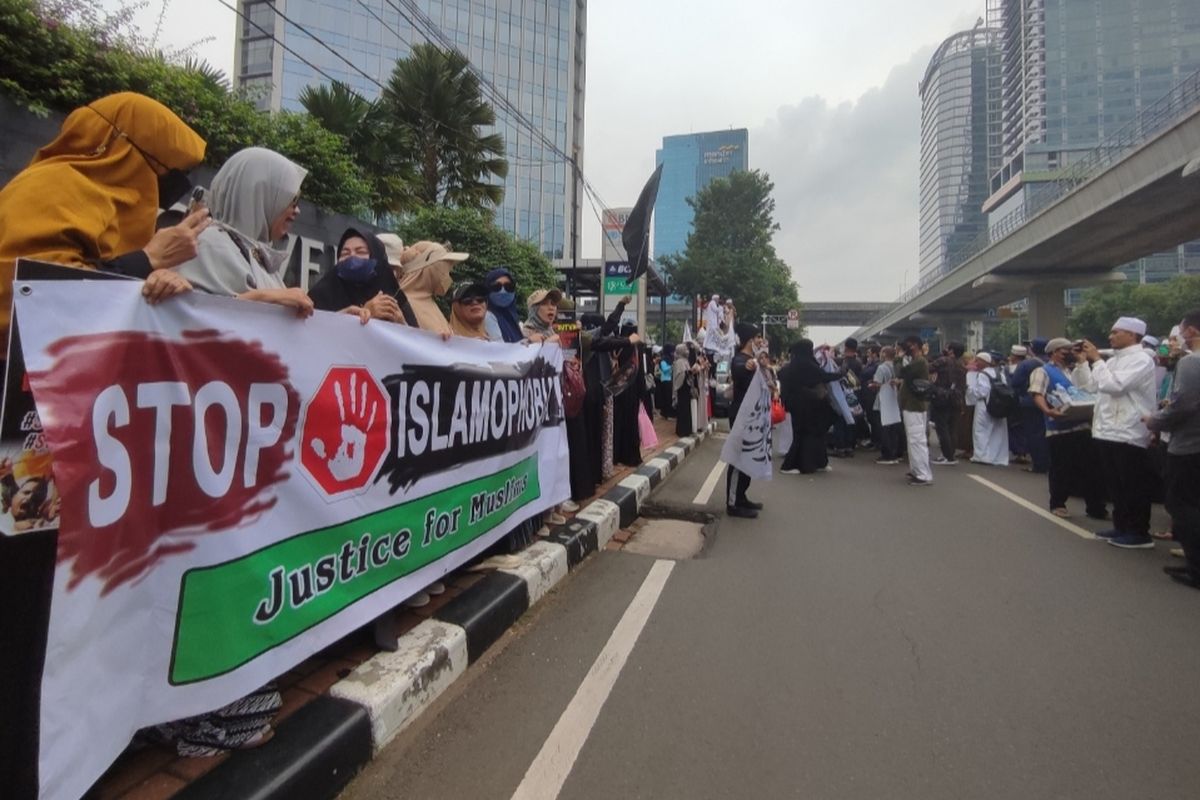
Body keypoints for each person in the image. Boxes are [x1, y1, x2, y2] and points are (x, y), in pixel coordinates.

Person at [0, 92, 208, 795]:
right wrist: (144, 257)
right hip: (22, 447)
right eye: (166, 175)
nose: (169, 195)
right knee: (26, 604)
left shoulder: (110, 216)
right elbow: (31, 302)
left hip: (89, 446)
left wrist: (159, 283)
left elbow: (110, 299)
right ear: (125, 154)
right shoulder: (52, 190)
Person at [174, 147, 315, 317]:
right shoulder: (208, 244)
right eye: (292, 201)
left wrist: (339, 320)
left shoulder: (257, 255)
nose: (297, 210)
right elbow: (192, 322)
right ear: (259, 195)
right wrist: (262, 299)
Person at [1078, 317, 1159, 549]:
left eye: (1117, 332)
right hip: (1106, 429)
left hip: (1129, 430)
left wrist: (1097, 361)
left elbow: (1115, 386)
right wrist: (1084, 363)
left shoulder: (1142, 360)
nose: (1111, 336)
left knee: (1133, 484)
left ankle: (1139, 532)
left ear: (1133, 335)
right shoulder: (1113, 361)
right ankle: (1121, 525)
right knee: (1115, 485)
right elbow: (1090, 386)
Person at [1147, 309, 1200, 588]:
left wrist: (1155, 421)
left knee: (1183, 505)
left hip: (1189, 445)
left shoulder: (1192, 363)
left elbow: (1183, 405)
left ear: (1190, 331)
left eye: (1179, 332)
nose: (1175, 339)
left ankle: (1196, 567)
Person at [1029, 338, 1107, 519]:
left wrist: (1082, 362)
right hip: (1059, 429)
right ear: (1054, 352)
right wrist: (1048, 410)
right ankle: (1058, 503)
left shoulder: (1076, 370)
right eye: (1065, 351)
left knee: (1091, 469)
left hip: (1083, 426)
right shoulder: (1042, 371)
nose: (1070, 354)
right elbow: (1036, 393)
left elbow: (1088, 388)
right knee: (1061, 468)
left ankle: (1095, 507)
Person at [308, 229, 416, 325]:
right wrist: (363, 315)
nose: (352, 257)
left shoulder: (394, 297)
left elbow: (416, 343)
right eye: (345, 253)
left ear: (377, 258)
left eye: (361, 252)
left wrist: (401, 324)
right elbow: (312, 335)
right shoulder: (321, 295)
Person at [779, 339, 841, 474]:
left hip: (803, 403)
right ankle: (789, 466)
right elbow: (823, 376)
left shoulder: (797, 363)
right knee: (805, 434)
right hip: (803, 404)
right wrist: (842, 374)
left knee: (813, 434)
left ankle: (817, 462)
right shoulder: (804, 363)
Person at [727, 323, 765, 516]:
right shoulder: (740, 360)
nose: (761, 341)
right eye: (758, 337)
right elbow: (741, 368)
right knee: (738, 459)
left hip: (753, 417)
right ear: (750, 340)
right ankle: (733, 503)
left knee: (749, 459)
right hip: (741, 416)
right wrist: (750, 365)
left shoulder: (754, 360)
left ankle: (742, 497)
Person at [396, 241, 466, 336]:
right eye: (445, 271)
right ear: (431, 271)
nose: (447, 278)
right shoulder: (401, 304)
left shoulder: (427, 301)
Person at [897, 335, 933, 486]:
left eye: (909, 346)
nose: (907, 349)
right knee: (913, 440)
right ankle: (916, 470)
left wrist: (898, 358)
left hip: (914, 406)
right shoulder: (916, 361)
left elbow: (900, 372)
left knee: (917, 440)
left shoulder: (919, 361)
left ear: (916, 346)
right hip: (911, 405)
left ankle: (923, 474)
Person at [1011, 339, 1049, 472]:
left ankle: (1038, 465)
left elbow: (1015, 382)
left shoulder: (1027, 364)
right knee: (1047, 433)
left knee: (1033, 434)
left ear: (1032, 349)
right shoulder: (1052, 363)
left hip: (1030, 402)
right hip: (1050, 402)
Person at [966, 352, 1010, 466]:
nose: (976, 363)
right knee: (998, 433)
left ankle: (982, 456)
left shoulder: (982, 374)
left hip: (984, 405)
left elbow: (982, 391)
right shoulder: (1000, 373)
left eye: (978, 360)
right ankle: (998, 458)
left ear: (984, 362)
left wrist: (970, 390)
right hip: (1000, 406)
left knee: (981, 431)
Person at [929, 342, 966, 465]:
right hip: (956, 399)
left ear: (951, 351)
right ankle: (951, 455)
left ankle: (947, 456)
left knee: (942, 427)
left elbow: (928, 368)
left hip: (942, 397)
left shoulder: (943, 361)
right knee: (952, 428)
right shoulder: (962, 366)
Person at [870, 346, 904, 464]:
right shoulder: (897, 367)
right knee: (894, 428)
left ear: (884, 354)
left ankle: (887, 455)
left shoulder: (882, 367)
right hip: (895, 399)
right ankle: (895, 453)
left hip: (883, 400)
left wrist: (871, 385)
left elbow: (877, 383)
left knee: (884, 427)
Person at [484, 267, 522, 343]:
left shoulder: (512, 317)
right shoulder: (488, 316)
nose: (503, 291)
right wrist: (529, 341)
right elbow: (501, 349)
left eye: (508, 287)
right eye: (496, 287)